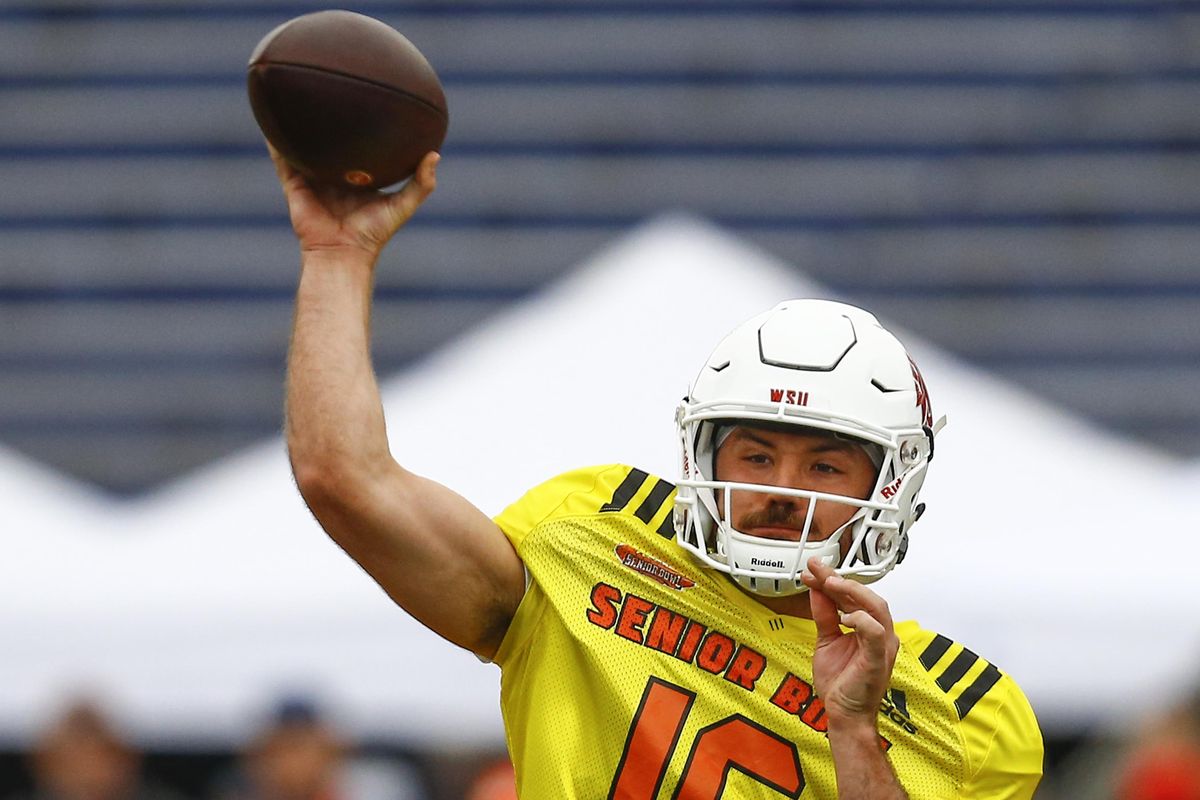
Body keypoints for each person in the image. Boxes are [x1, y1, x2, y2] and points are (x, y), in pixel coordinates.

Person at [273, 147, 1043, 798]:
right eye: (756, 455)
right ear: (703, 454)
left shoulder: (968, 715)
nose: (781, 488)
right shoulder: (592, 535)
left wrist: (854, 732)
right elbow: (345, 479)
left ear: (891, 486)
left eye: (826, 464)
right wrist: (338, 255)